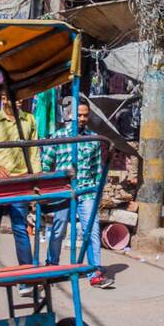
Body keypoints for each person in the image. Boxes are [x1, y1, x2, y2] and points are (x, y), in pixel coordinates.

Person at [40, 98, 112, 287]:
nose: (82, 118)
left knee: (92, 230)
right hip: (64, 191)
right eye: (78, 115)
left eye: (85, 115)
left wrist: (97, 192)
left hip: (86, 192)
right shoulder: (58, 137)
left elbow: (97, 170)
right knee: (58, 228)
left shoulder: (93, 140)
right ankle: (51, 266)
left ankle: (94, 271)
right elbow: (46, 164)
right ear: (70, 116)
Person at [0, 85, 39, 271]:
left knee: (20, 228)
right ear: (3, 98)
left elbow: (34, 152)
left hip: (19, 182)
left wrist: (35, 181)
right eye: (10, 97)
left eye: (19, 97)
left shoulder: (29, 120)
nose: (15, 101)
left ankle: (27, 272)